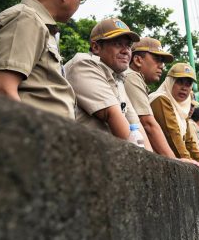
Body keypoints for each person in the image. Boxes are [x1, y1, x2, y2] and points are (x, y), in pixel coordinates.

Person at [0, 0, 98, 119]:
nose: (78, 5)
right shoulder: (25, 19)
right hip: (32, 137)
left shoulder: (37, 23)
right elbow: (2, 88)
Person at [65, 18, 152, 150]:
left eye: (128, 45)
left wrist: (150, 159)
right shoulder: (84, 64)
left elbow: (135, 126)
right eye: (118, 44)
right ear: (96, 47)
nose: (126, 51)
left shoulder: (118, 78)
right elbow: (111, 114)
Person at [149, 63, 199, 169]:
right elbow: (173, 133)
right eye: (179, 82)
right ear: (170, 82)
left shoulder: (183, 107)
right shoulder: (160, 99)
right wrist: (188, 160)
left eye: (188, 84)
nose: (184, 88)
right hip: (157, 162)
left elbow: (188, 140)